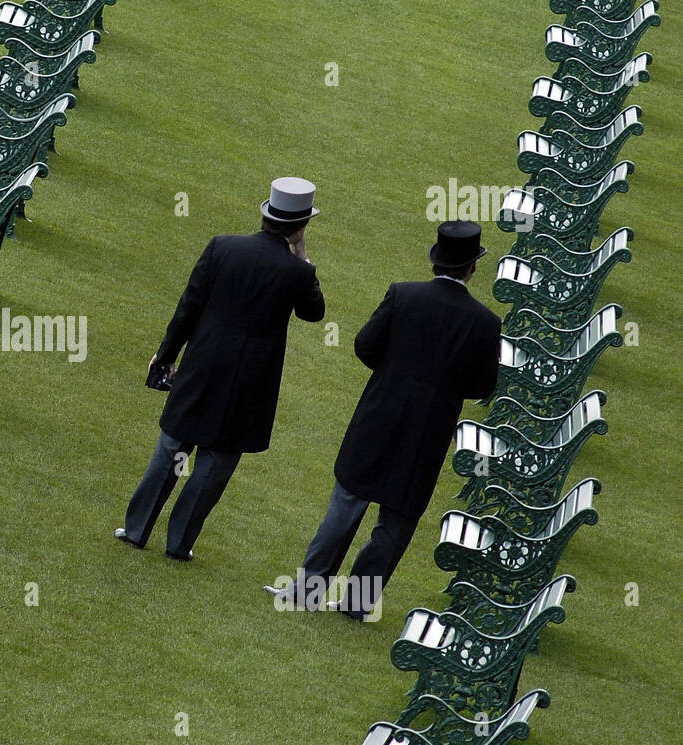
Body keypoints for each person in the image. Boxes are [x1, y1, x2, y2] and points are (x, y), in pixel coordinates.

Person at [270, 220, 502, 618]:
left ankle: (307, 589)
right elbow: (483, 386)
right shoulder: (485, 323)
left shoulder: (403, 295)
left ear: (436, 261)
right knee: (396, 521)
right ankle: (358, 603)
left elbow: (364, 346)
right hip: (428, 432)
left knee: (345, 505)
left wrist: (394, 371)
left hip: (378, 415)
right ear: (472, 267)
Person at [114, 177, 326, 562]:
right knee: (216, 463)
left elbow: (188, 307)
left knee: (173, 446)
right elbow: (314, 313)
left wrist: (165, 355)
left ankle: (136, 528)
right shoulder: (298, 272)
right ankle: (179, 544)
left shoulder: (223, 247)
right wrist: (302, 254)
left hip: (203, 363)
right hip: (251, 380)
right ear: (299, 226)